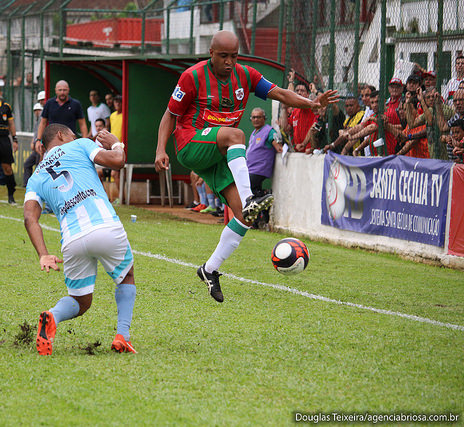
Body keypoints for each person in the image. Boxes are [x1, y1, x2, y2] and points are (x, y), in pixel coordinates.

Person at [154, 30, 338, 302]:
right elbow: (171, 114)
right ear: (211, 54)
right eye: (224, 56)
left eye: (234, 56)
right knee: (235, 134)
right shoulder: (191, 77)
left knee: (245, 216)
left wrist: (310, 103)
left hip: (219, 152)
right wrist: (160, 149)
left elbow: (279, 93)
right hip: (190, 142)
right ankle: (251, 196)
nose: (229, 62)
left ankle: (210, 269)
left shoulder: (246, 75)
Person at [24, 124, 137, 356]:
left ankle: (53, 315)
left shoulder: (35, 176)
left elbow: (29, 217)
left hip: (72, 239)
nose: (75, 137)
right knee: (126, 276)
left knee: (81, 302)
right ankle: (122, 336)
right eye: (72, 135)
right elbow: (117, 160)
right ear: (60, 135)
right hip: (105, 226)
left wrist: (43, 253)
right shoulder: (80, 144)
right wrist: (116, 142)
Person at [246, 107, 282, 227]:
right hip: (251, 168)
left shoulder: (269, 131)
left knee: (249, 188)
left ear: (264, 118)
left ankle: (264, 200)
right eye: (253, 117)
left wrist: (279, 148)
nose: (255, 119)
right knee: (254, 193)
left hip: (260, 169)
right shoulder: (254, 133)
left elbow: (276, 144)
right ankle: (259, 217)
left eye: (258, 117)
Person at [23, 96, 46, 187]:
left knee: (38, 166)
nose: (37, 112)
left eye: (39, 110)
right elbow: (36, 133)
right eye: (35, 110)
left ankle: (36, 185)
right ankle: (27, 184)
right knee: (27, 164)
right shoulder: (37, 121)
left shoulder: (43, 119)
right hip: (37, 146)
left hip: (42, 146)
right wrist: (34, 141)